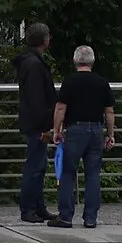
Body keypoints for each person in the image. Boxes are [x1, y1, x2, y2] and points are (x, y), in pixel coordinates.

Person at [49, 44, 116, 229]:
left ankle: (65, 216)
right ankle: (90, 218)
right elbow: (109, 111)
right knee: (93, 174)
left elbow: (61, 108)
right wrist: (110, 134)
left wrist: (56, 130)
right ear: (92, 61)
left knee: (68, 173)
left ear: (75, 61)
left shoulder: (70, 81)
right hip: (96, 130)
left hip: (75, 131)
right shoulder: (102, 82)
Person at [13, 22, 54, 224]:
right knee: (35, 166)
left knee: (39, 165)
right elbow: (37, 98)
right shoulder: (35, 65)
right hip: (37, 123)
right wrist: (45, 123)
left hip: (34, 121)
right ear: (44, 40)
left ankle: (37, 206)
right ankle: (29, 208)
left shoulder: (29, 62)